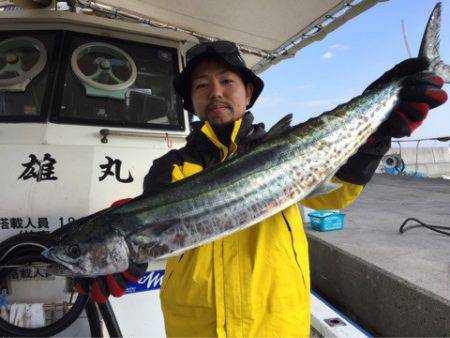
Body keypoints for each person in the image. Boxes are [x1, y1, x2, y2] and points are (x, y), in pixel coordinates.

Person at [77, 41, 447, 336]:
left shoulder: (287, 148)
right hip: (195, 327)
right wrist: (125, 261)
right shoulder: (169, 167)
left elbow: (333, 192)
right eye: (202, 85)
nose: (215, 92)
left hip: (276, 323)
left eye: (226, 81)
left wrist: (374, 136)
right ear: (192, 101)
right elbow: (154, 232)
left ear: (248, 92)